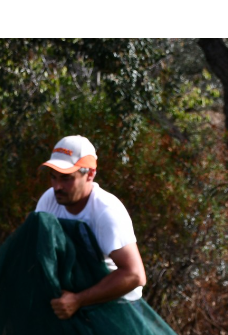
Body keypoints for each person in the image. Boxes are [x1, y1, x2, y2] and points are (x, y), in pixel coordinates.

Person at [35, 135, 146, 319]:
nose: (57, 186)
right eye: (53, 177)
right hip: (71, 302)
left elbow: (134, 275)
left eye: (66, 178)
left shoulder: (106, 212)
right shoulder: (49, 200)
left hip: (118, 309)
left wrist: (78, 300)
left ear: (90, 174)